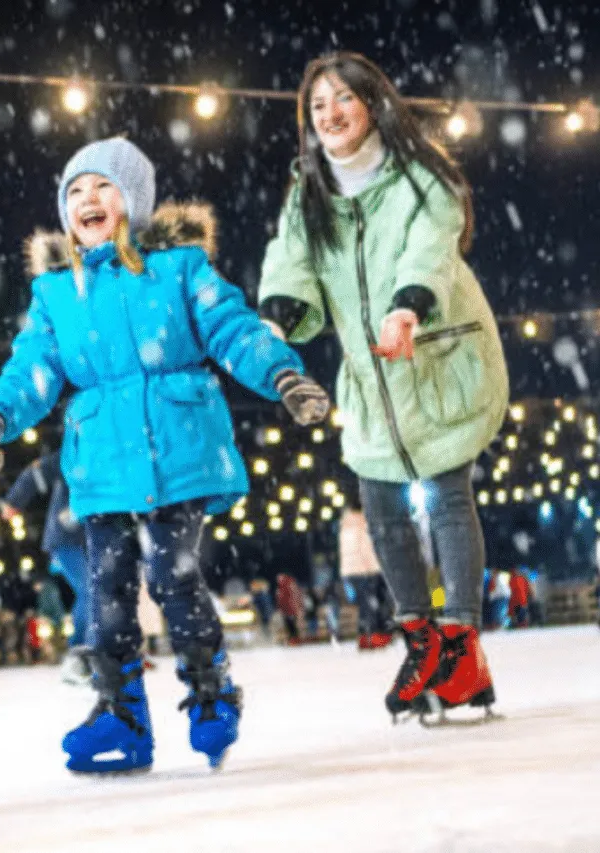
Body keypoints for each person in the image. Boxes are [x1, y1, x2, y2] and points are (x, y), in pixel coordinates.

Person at [0, 137, 330, 774]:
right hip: (101, 458)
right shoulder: (58, 292)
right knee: (105, 591)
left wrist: (282, 376)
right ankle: (122, 714)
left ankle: (211, 691)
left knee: (172, 575)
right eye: (75, 191)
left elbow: (234, 330)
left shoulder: (180, 269)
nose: (89, 200)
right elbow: (33, 369)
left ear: (131, 201)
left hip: (177, 446)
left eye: (104, 187)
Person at [259, 52, 509, 722]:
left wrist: (408, 306)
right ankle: (423, 642)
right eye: (318, 106)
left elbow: (432, 240)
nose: (331, 114)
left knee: (451, 496)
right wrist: (276, 318)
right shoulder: (308, 192)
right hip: (370, 373)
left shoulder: (416, 174)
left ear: (372, 103)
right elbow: (291, 258)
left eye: (343, 98)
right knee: (381, 504)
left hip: (434, 350)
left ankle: (460, 640)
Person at [1, 448, 91, 678]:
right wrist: (14, 500)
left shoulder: (115, 454)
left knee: (104, 590)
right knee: (91, 590)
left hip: (95, 536)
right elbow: (37, 471)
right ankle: (79, 653)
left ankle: (106, 649)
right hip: (67, 536)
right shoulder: (78, 451)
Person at [339, 506, 394, 650]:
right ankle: (375, 635)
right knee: (373, 604)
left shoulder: (345, 525)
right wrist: (376, 568)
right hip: (365, 569)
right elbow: (366, 548)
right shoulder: (361, 524)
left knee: (364, 605)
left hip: (349, 571)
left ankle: (363, 636)